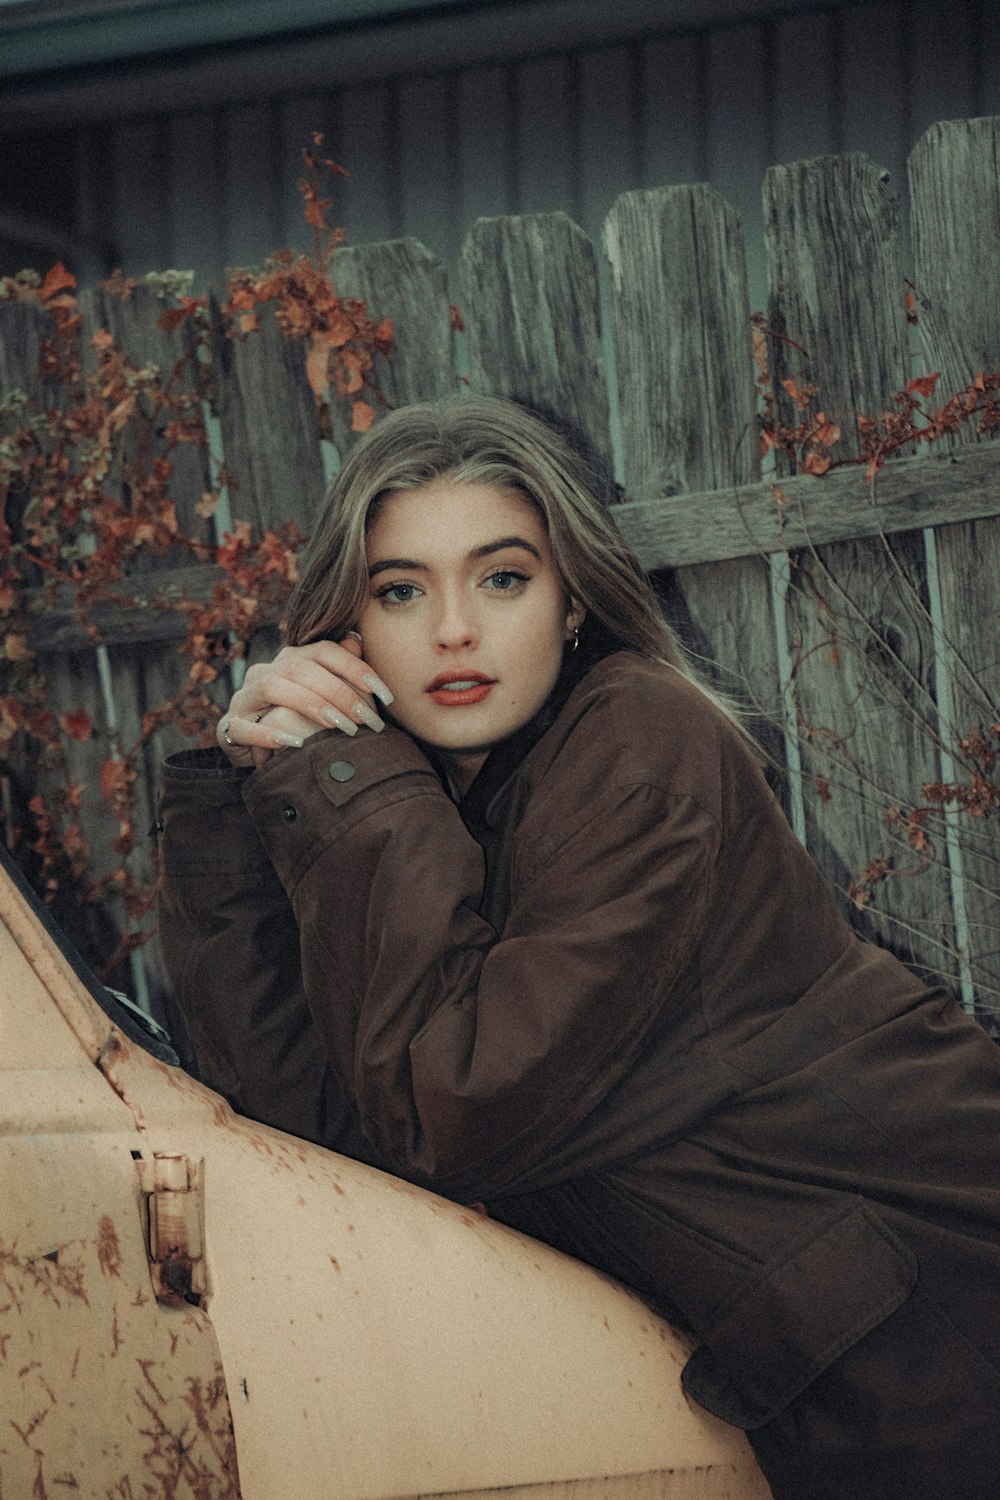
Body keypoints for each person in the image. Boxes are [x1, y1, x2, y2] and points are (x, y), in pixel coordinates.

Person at [157, 394, 1000, 1499]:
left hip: (946, 1307)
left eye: (502, 579)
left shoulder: (640, 745)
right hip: (846, 1352)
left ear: (569, 606)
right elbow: (311, 1128)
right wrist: (243, 784)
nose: (452, 630)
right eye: (401, 590)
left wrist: (353, 785)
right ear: (346, 632)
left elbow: (447, 1107)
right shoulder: (436, 799)